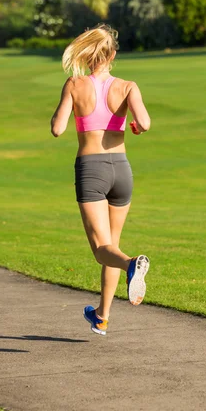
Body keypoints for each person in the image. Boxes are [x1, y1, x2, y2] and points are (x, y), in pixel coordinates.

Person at [51, 24, 151, 336]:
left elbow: (57, 129)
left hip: (91, 169)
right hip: (121, 168)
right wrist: (132, 126)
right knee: (112, 245)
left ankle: (132, 263)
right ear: (113, 55)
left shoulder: (75, 84)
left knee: (101, 250)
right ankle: (102, 316)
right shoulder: (128, 86)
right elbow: (145, 123)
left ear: (89, 54)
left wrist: (67, 105)